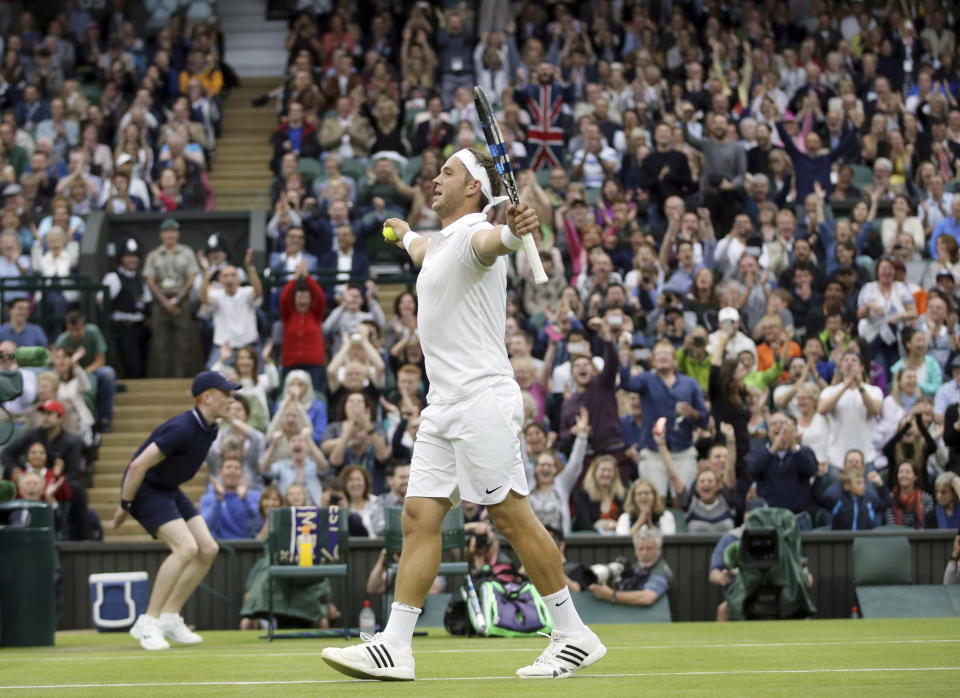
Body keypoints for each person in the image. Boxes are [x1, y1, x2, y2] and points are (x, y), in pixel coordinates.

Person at [321, 147, 606, 681]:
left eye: (447, 173)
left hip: (481, 399)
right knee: (418, 518)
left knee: (509, 515)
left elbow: (495, 241)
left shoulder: (477, 235)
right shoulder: (439, 245)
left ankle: (573, 633)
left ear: (473, 187)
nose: (435, 179)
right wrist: (402, 232)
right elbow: (421, 249)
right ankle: (396, 646)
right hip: (441, 406)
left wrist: (518, 233)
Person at [103, 370, 240, 651]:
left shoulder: (211, 427)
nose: (232, 399)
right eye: (226, 394)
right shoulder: (182, 427)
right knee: (186, 548)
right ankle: (148, 622)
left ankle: (168, 617)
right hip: (145, 489)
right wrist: (124, 506)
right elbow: (138, 465)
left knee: (208, 548)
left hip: (169, 488)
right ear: (207, 397)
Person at [618, 338, 708, 497]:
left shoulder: (690, 383)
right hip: (653, 451)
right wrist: (624, 354)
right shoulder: (646, 379)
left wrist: (692, 413)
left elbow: (704, 419)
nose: (662, 357)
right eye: (658, 354)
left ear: (674, 359)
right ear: (652, 360)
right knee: (654, 499)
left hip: (683, 450)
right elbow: (627, 385)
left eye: (666, 353)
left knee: (684, 499)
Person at [1, 399, 89, 539]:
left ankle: (82, 539)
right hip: (29, 477)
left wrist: (55, 478)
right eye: (43, 413)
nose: (45, 417)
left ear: (60, 418)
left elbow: (73, 472)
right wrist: (14, 471)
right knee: (6, 482)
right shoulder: (33, 434)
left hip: (57, 482)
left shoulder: (71, 441)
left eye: (49, 414)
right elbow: (7, 453)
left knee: (78, 489)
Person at [143, 218, 199, 377]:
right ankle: (162, 379)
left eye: (173, 231)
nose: (170, 235)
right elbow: (150, 281)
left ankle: (180, 378)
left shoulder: (187, 253)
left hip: (182, 300)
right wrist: (165, 302)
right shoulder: (154, 255)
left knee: (182, 342)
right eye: (166, 231)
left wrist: (176, 301)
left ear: (178, 233)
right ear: (161, 234)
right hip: (160, 301)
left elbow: (191, 280)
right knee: (160, 343)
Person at [54, 309, 116, 433]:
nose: (75, 333)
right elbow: (58, 364)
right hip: (69, 375)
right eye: (71, 330)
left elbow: (100, 360)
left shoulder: (93, 332)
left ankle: (104, 419)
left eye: (78, 329)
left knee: (108, 373)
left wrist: (84, 372)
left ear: (84, 326)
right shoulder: (62, 340)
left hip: (91, 371)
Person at [588, 526, 673, 607]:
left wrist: (612, 595)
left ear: (659, 551)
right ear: (635, 551)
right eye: (641, 549)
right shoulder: (634, 567)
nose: (644, 553)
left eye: (649, 548)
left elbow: (648, 597)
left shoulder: (661, 570)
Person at [199, 455, 262, 539]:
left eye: (236, 468)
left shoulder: (254, 496)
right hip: (221, 548)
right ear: (220, 472)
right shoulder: (208, 498)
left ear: (242, 473)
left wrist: (245, 500)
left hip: (248, 547)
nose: (232, 471)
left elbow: (260, 524)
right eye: (228, 467)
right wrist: (219, 499)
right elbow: (207, 527)